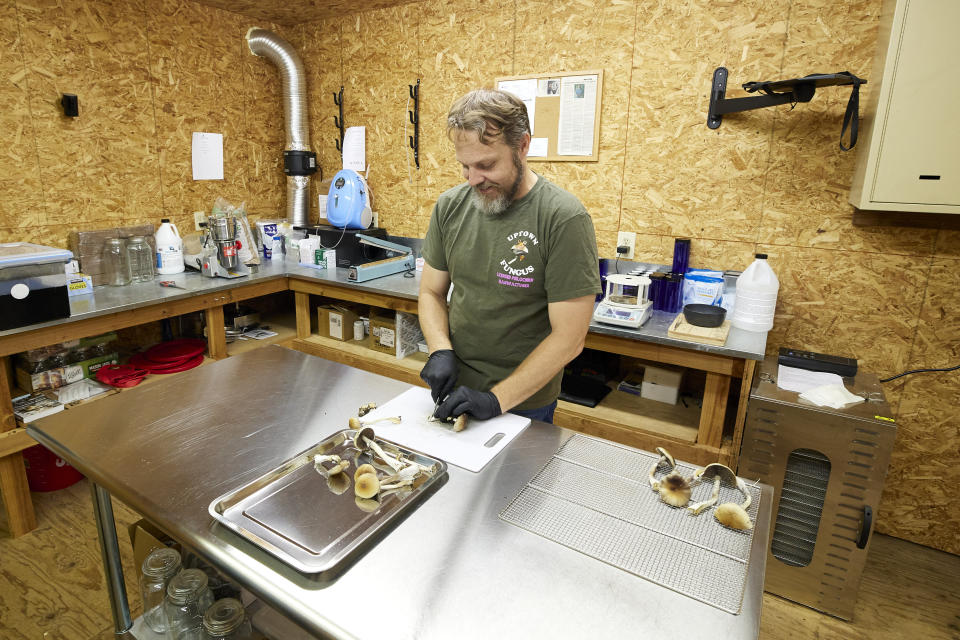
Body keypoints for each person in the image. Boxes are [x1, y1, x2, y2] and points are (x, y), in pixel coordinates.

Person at [418, 88, 601, 425]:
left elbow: (569, 338)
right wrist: (439, 348)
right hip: (456, 389)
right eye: (465, 167)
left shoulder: (562, 218)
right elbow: (431, 292)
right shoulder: (450, 206)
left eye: (486, 165)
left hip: (524, 401)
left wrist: (495, 400)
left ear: (523, 146)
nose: (473, 179)